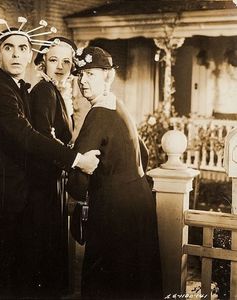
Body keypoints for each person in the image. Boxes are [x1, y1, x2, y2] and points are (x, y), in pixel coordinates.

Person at [0, 22, 100, 299]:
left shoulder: (16, 88)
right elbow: (25, 136)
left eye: (22, 48)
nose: (16, 55)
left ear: (29, 55)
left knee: (1, 280)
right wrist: (76, 159)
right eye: (8, 48)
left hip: (7, 198)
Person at [67, 46, 163, 299]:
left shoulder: (97, 114)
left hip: (114, 209)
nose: (83, 81)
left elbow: (78, 180)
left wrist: (74, 191)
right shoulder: (118, 105)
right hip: (139, 202)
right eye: (80, 75)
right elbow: (143, 153)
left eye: (91, 75)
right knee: (136, 278)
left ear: (108, 77)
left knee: (107, 282)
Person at [24, 37, 77, 297]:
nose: (60, 66)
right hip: (41, 184)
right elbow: (44, 136)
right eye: (54, 60)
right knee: (42, 252)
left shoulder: (55, 91)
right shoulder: (44, 91)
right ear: (43, 61)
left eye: (66, 61)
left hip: (51, 180)